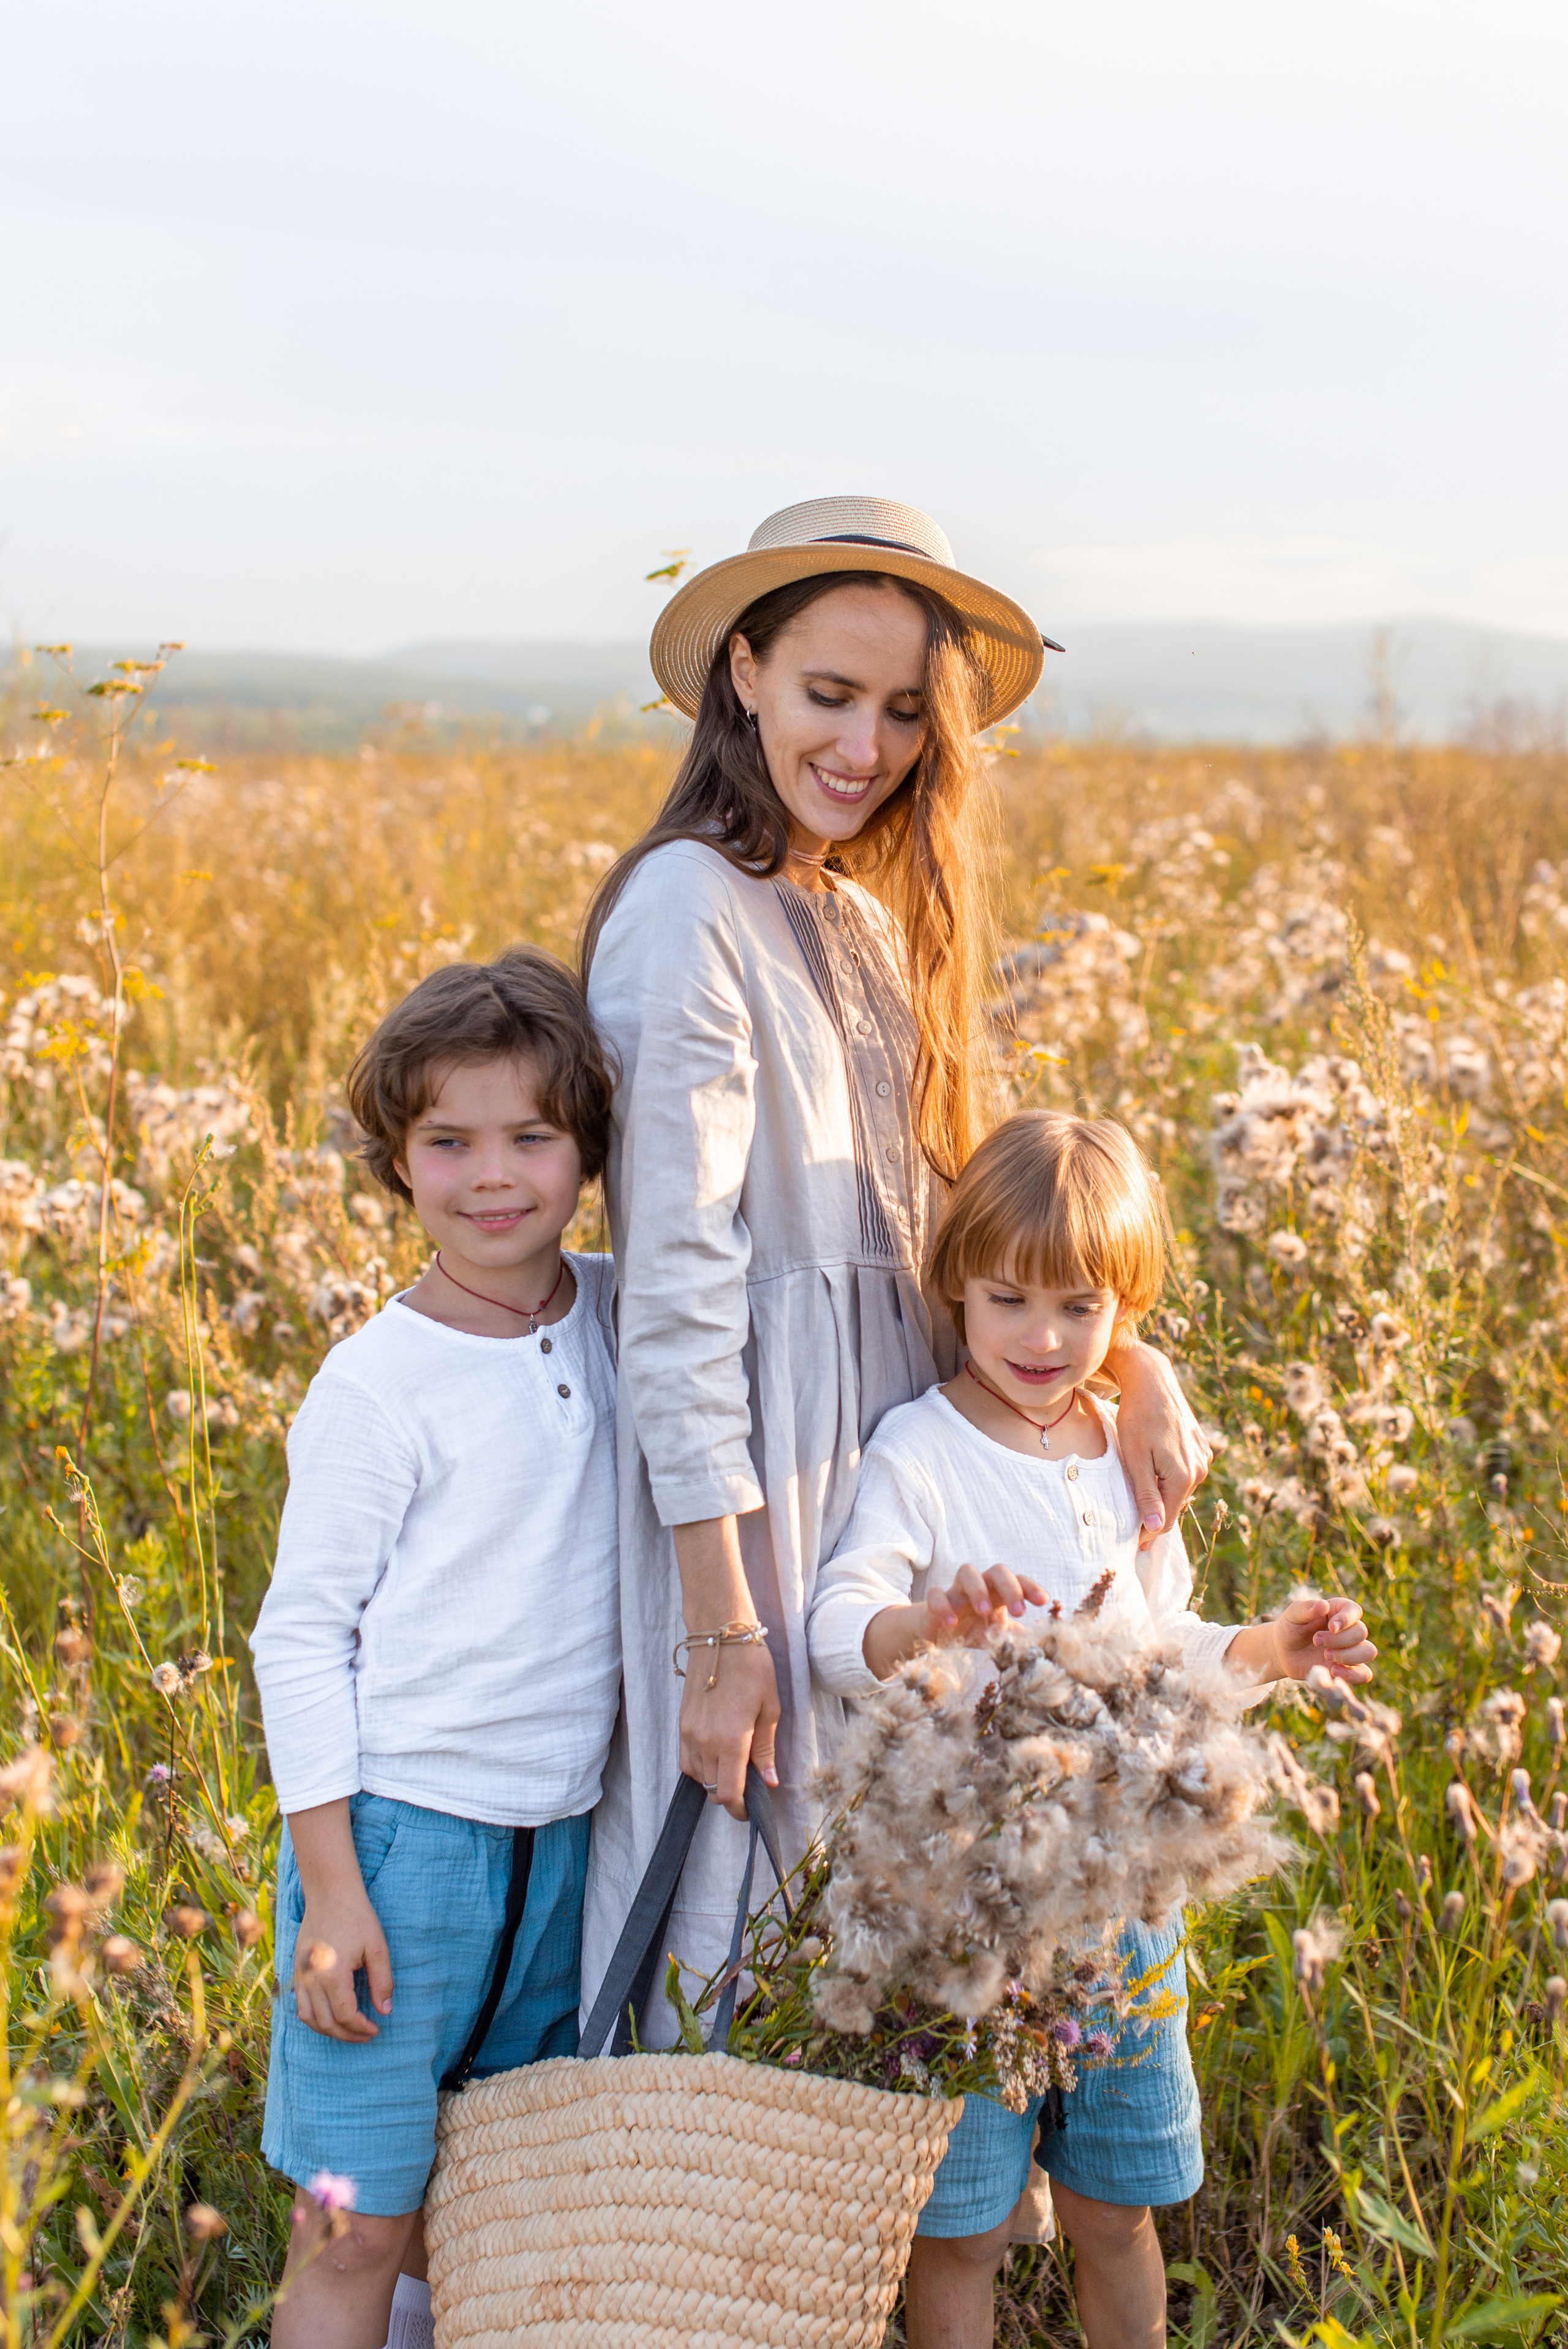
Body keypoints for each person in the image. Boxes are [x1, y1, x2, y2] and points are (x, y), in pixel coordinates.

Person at [578, 494, 1213, 2029]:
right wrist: (723, 1635)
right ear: (742, 673)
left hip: (892, 1454)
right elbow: (674, 1302)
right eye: (826, 695)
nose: (864, 746)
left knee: (885, 1906)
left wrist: (1131, 1366)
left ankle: (868, 2249)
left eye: (902, 712)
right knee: (740, 1897)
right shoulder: (688, 912)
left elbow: (979, 1242)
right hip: (757, 1490)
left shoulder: (857, 911)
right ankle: (665, 2251)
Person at [807, 1108, 1378, 2349]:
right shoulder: (917, 1449)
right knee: (953, 2227)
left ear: (1124, 1310)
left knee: (1115, 2210)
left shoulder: (1122, 1457)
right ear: (954, 1279)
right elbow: (833, 1623)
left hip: (1119, 1899)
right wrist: (928, 1626)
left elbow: (1157, 1644)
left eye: (1079, 1307)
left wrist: (1268, 1650)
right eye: (1009, 1298)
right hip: (958, 1902)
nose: (1043, 1337)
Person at [250, 948, 620, 2349]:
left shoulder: (611, 1311)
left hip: (563, 1841)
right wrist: (333, 1894)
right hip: (398, 1849)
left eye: (533, 1136)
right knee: (351, 2221)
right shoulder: (376, 1383)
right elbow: (300, 1639)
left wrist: (1127, 1373)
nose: (494, 1177)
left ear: (586, 1145)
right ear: (397, 1160)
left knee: (483, 2206)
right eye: (448, 1142)